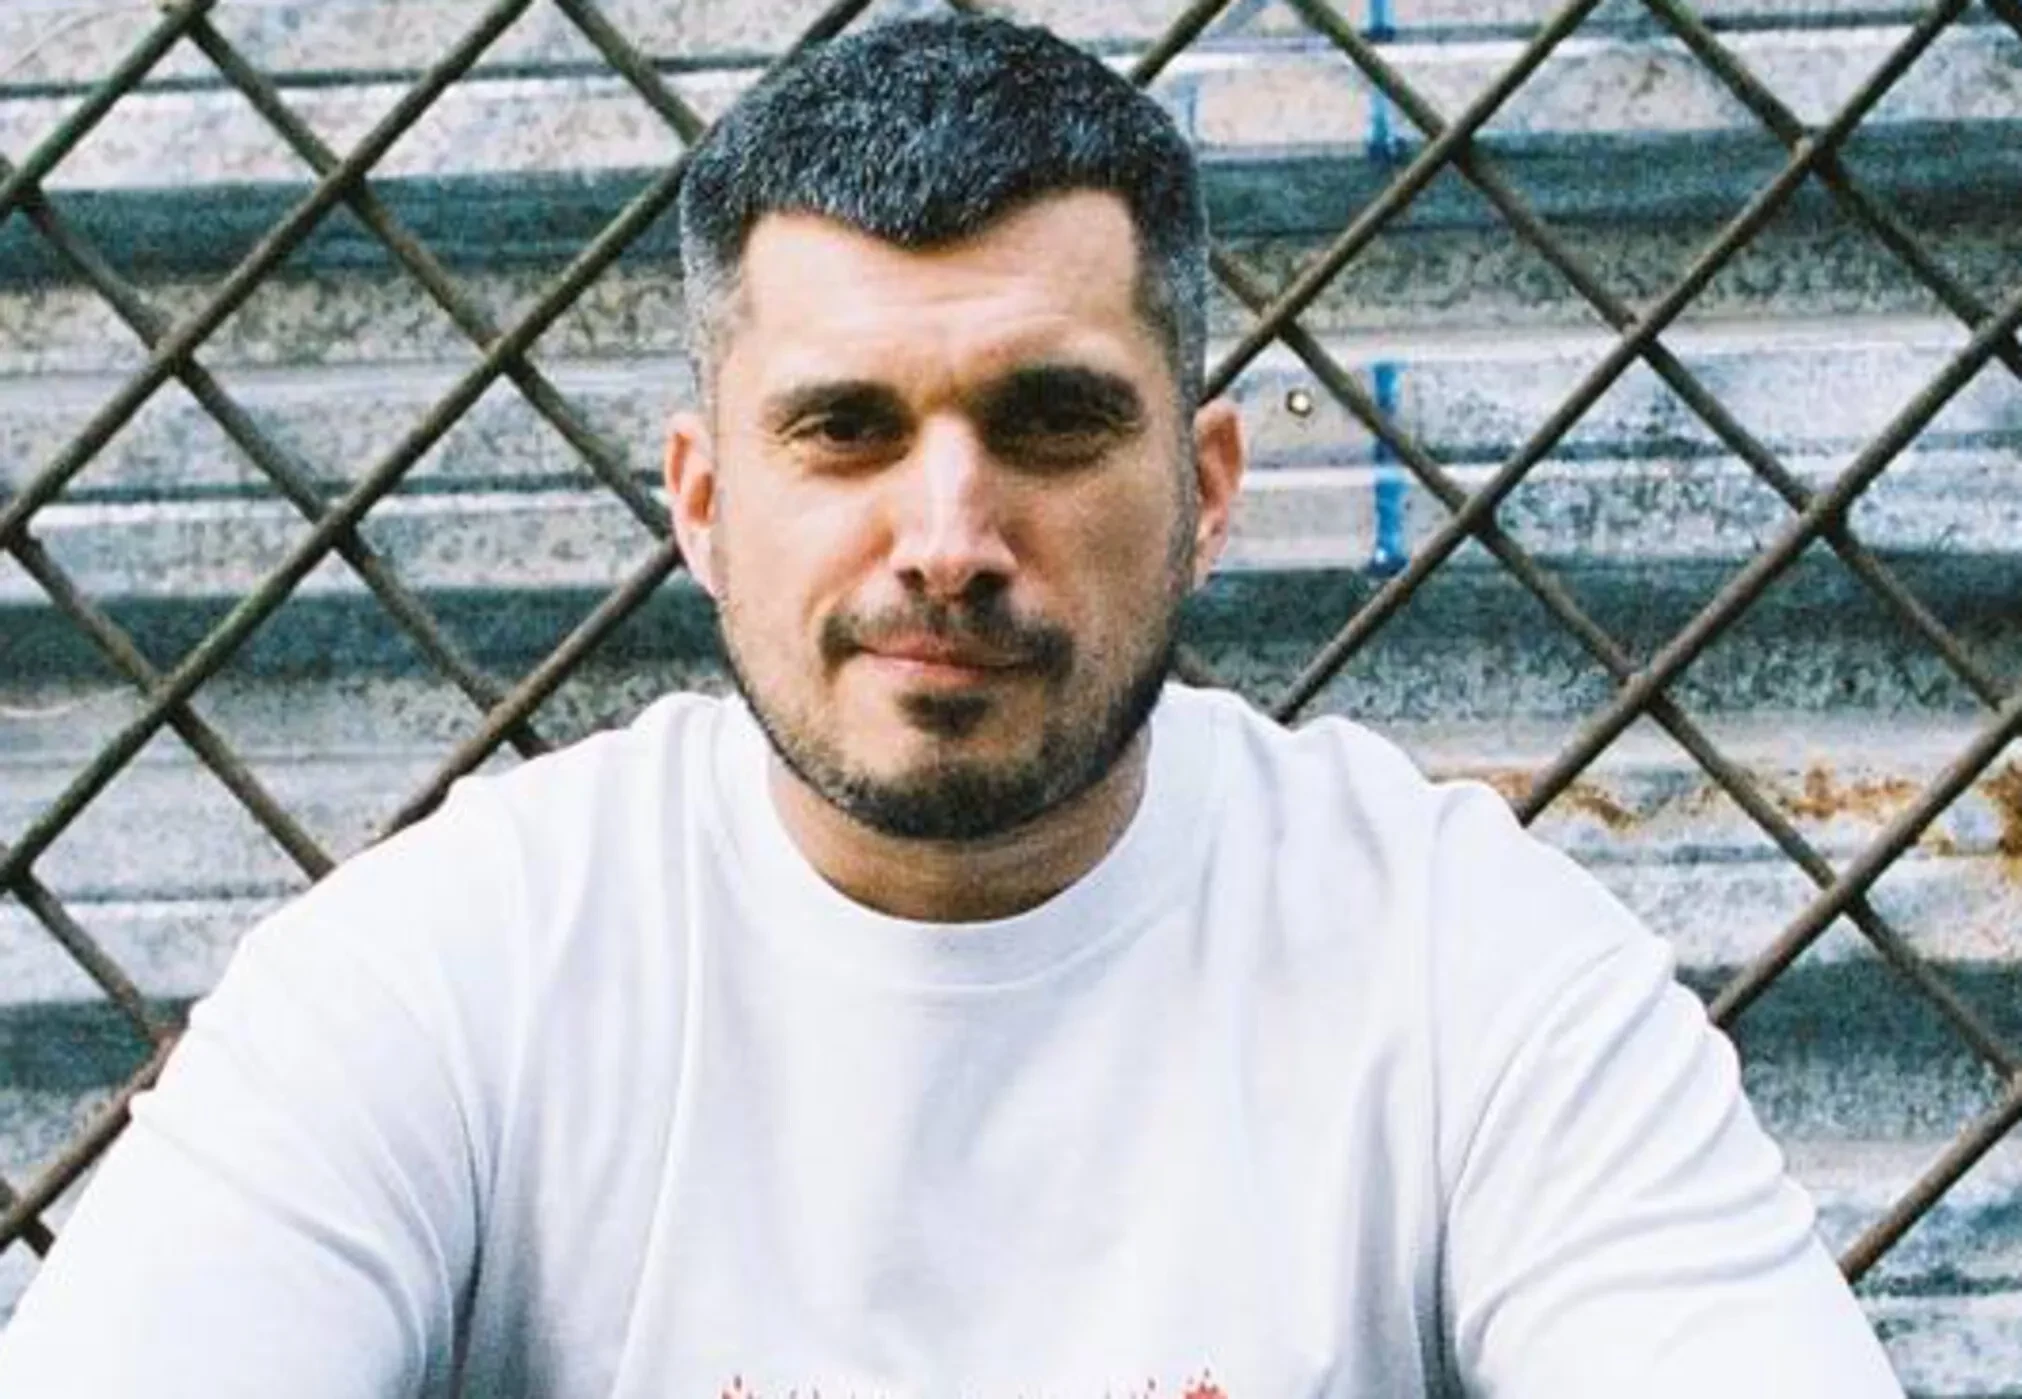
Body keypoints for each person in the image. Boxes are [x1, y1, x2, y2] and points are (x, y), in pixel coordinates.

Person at [0, 15, 1903, 1398]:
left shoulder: (1464, 964)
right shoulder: (449, 964)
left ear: (1208, 487)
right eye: (843, 428)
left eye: (1051, 421)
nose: (947, 539)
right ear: (701, 500)